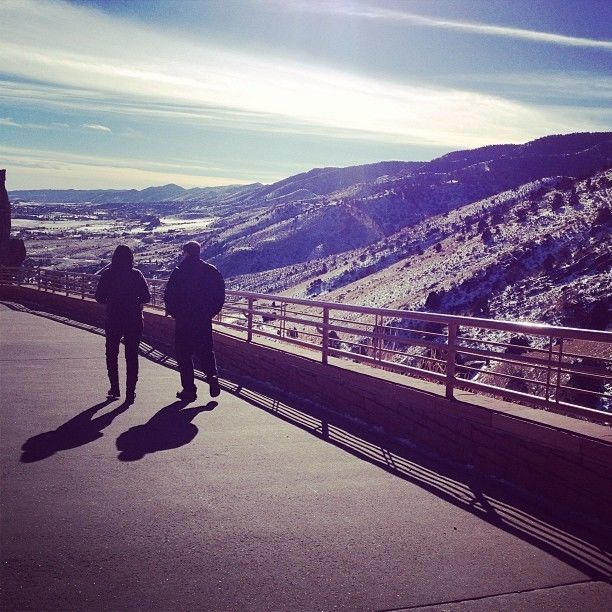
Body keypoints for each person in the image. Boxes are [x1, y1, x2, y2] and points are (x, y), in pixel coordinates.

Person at [164, 241, 225, 401]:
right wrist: (211, 312)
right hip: (203, 320)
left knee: (184, 355)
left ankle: (189, 390)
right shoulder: (210, 270)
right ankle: (212, 376)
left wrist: (175, 313)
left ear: (186, 253)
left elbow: (169, 295)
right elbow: (220, 294)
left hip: (184, 321)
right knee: (206, 350)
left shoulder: (179, 271)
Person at [95, 245, 151, 403]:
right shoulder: (136, 274)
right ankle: (130, 392)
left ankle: (114, 388)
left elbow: (99, 297)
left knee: (112, 353)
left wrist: (111, 300)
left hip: (113, 318)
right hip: (134, 319)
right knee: (132, 355)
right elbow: (146, 297)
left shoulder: (108, 274)